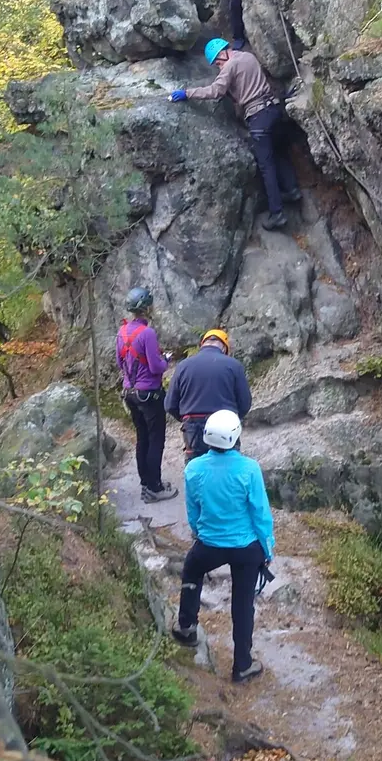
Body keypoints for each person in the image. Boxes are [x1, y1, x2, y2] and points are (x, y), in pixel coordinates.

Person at [170, 408, 274, 683]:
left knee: (191, 570)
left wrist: (198, 533)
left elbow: (193, 509)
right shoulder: (249, 469)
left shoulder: (194, 468)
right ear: (236, 437)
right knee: (243, 602)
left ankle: (187, 626)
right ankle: (242, 664)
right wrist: (267, 548)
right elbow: (260, 513)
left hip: (210, 543)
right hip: (246, 547)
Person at [170, 39, 301, 230]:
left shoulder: (229, 66)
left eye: (217, 62)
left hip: (258, 118)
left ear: (222, 54)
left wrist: (187, 93)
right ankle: (292, 189)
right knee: (278, 151)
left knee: (267, 166)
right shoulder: (248, 56)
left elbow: (215, 91)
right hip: (274, 110)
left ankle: (277, 213)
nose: (218, 66)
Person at [116, 287, 176, 504]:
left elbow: (119, 363)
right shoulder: (147, 333)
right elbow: (155, 366)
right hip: (149, 394)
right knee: (156, 440)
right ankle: (154, 487)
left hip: (130, 393)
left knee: (142, 439)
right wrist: (166, 359)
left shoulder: (121, 332)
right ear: (146, 308)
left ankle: (145, 484)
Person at [164, 328, 252, 458]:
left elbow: (170, 405)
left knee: (196, 469)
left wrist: (187, 418)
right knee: (228, 467)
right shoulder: (234, 365)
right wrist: (233, 420)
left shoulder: (183, 366)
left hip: (193, 427)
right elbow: (245, 403)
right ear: (224, 348)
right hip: (225, 426)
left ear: (203, 344)